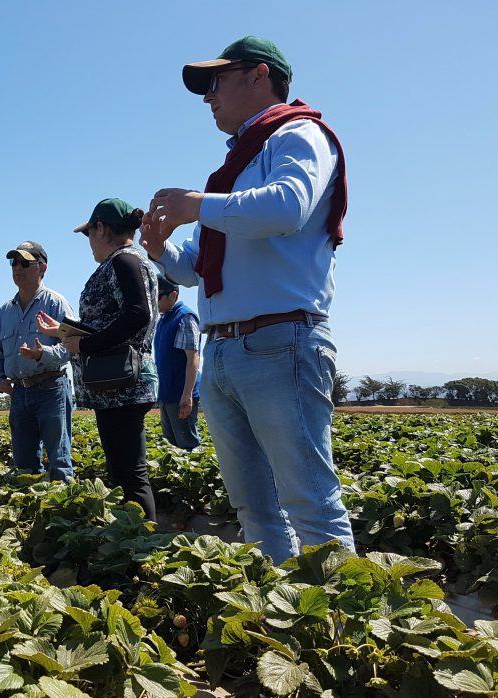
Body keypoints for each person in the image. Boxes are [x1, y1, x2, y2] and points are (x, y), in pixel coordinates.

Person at [139, 35, 355, 565]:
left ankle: (345, 629)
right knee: (252, 507)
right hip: (226, 350)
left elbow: (286, 208)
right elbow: (193, 271)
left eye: (215, 82)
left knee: (310, 504)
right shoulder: (236, 171)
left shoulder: (300, 135)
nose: (207, 97)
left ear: (259, 75)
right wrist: (160, 249)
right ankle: (288, 613)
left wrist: (200, 205)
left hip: (281, 341)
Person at [38, 198, 159, 520]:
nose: (89, 242)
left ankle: (142, 546)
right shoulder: (125, 262)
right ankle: (132, 537)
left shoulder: (125, 262)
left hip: (123, 383)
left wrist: (85, 345)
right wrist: (67, 331)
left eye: (89, 233)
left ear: (101, 229)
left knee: (130, 474)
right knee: (122, 471)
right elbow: (115, 321)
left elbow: (138, 316)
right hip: (115, 383)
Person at [0, 241, 75, 481]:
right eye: (14, 262)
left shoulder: (56, 303)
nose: (18, 267)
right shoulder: (4, 312)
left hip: (51, 390)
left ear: (42, 268)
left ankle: (63, 515)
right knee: (24, 464)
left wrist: (42, 354)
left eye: (25, 263)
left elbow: (72, 347)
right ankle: (30, 513)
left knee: (59, 460)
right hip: (19, 394)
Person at [154, 274, 202, 450]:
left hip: (181, 394)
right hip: (167, 394)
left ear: (173, 295)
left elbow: (193, 358)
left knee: (188, 445)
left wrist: (187, 395)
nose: (154, 301)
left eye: (158, 296)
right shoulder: (164, 319)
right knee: (171, 446)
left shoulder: (185, 318)